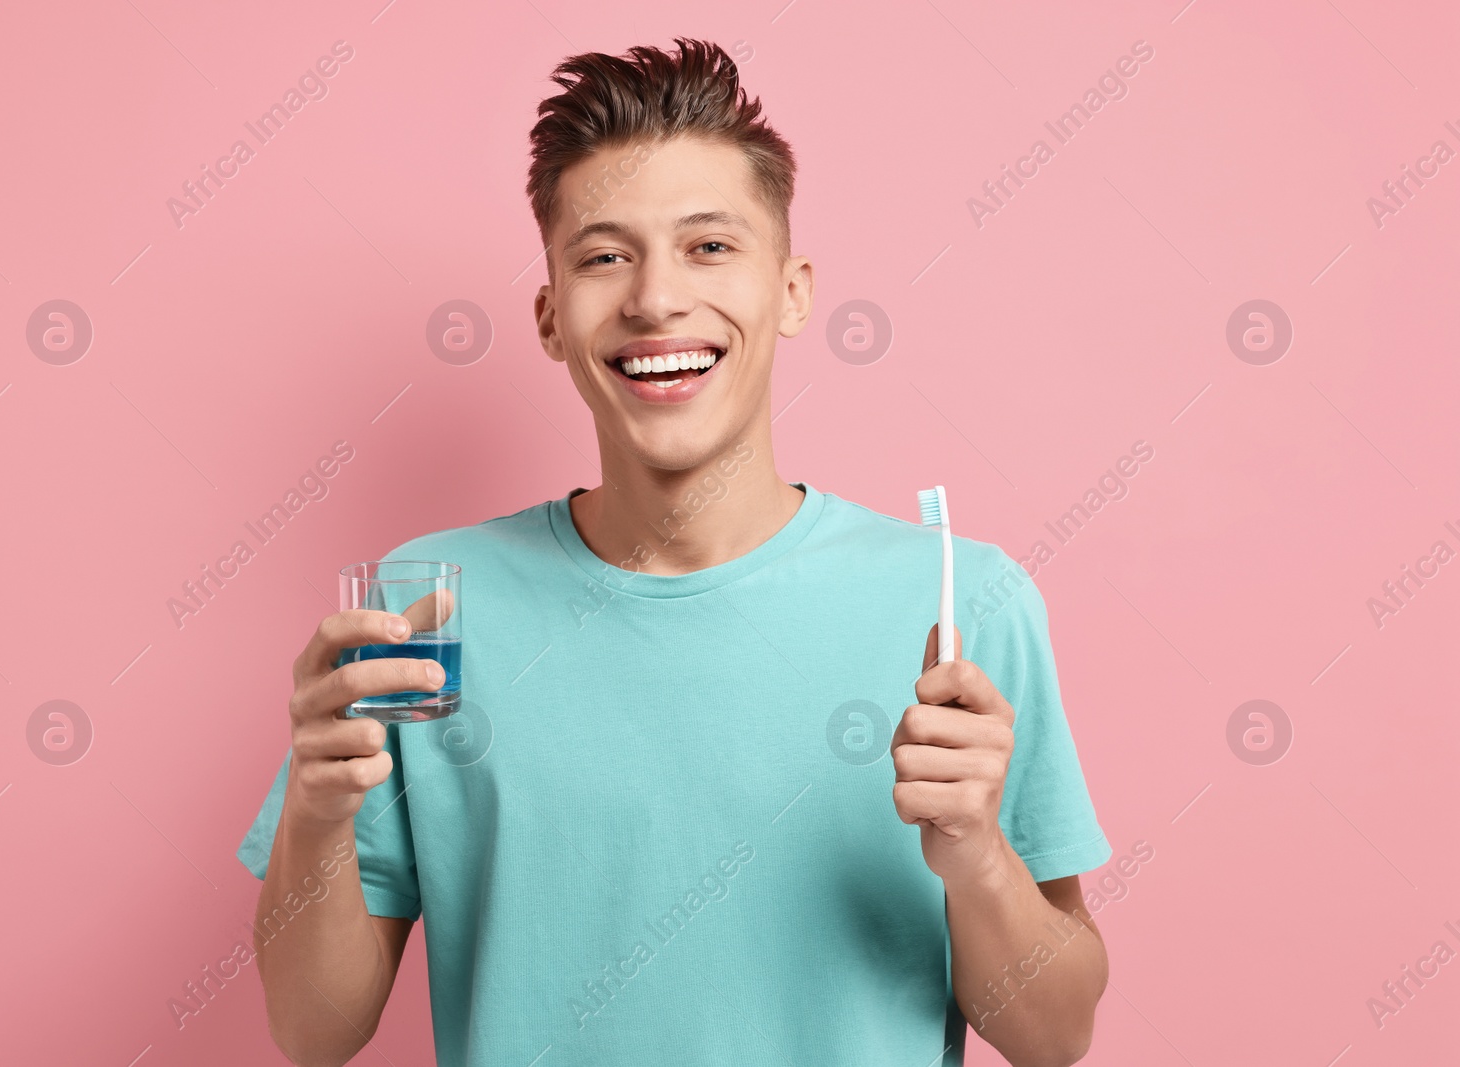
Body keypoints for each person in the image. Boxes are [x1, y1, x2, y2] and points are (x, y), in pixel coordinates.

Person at [237, 37, 1112, 1067]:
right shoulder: (428, 612)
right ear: (550, 315)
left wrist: (975, 859)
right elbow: (312, 1029)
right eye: (604, 256)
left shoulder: (964, 606)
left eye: (708, 246)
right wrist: (315, 809)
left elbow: (1055, 1035)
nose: (655, 298)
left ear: (790, 291)